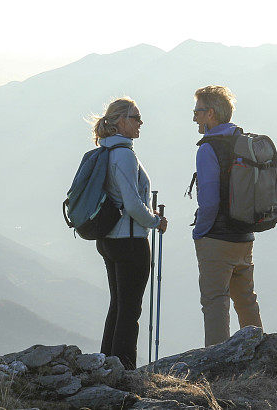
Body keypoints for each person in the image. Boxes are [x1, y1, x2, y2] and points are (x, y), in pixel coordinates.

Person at [91, 97, 168, 369]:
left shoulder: (106, 151)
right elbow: (133, 203)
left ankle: (106, 366)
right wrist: (154, 221)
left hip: (109, 239)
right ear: (121, 121)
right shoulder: (123, 154)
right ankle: (123, 370)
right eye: (136, 117)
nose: (140, 123)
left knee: (118, 306)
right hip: (130, 242)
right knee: (130, 310)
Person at [191, 85, 262, 347]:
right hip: (245, 235)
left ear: (211, 113)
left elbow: (209, 201)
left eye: (197, 111)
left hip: (217, 238)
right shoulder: (244, 142)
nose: (194, 118)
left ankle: (217, 366)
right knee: (246, 300)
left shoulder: (208, 148)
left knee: (215, 302)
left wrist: (200, 231)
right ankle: (259, 355)